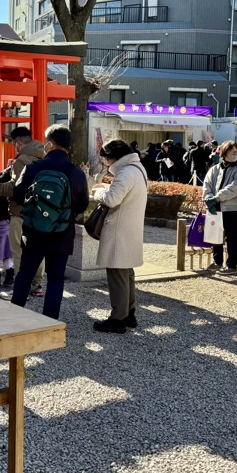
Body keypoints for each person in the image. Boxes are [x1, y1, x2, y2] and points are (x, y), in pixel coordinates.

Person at [8, 125, 89, 319]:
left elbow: (18, 195)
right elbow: (82, 205)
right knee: (55, 278)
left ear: (50, 144)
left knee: (25, 273)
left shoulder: (33, 167)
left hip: (34, 230)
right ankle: (49, 319)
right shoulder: (76, 173)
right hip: (62, 233)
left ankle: (14, 315)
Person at [91, 139, 148, 334]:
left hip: (119, 229)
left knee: (117, 275)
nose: (105, 163)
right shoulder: (137, 169)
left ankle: (118, 318)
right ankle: (129, 313)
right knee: (126, 274)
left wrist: (98, 192)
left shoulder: (125, 173)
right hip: (130, 229)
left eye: (106, 158)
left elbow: (112, 199)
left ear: (113, 157)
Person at [0, 126, 46, 293]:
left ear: (18, 143)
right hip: (42, 212)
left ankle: (21, 284)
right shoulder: (45, 157)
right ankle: (37, 284)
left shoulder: (22, 160)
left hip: (21, 211)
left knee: (18, 249)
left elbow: (15, 187)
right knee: (38, 249)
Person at [203, 141, 237, 275]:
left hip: (231, 208)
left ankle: (231, 264)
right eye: (231, 152)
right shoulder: (215, 168)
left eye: (236, 152)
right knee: (215, 235)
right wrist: (209, 197)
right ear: (223, 152)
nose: (234, 154)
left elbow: (235, 187)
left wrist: (216, 197)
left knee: (232, 236)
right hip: (215, 208)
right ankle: (217, 262)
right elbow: (207, 184)